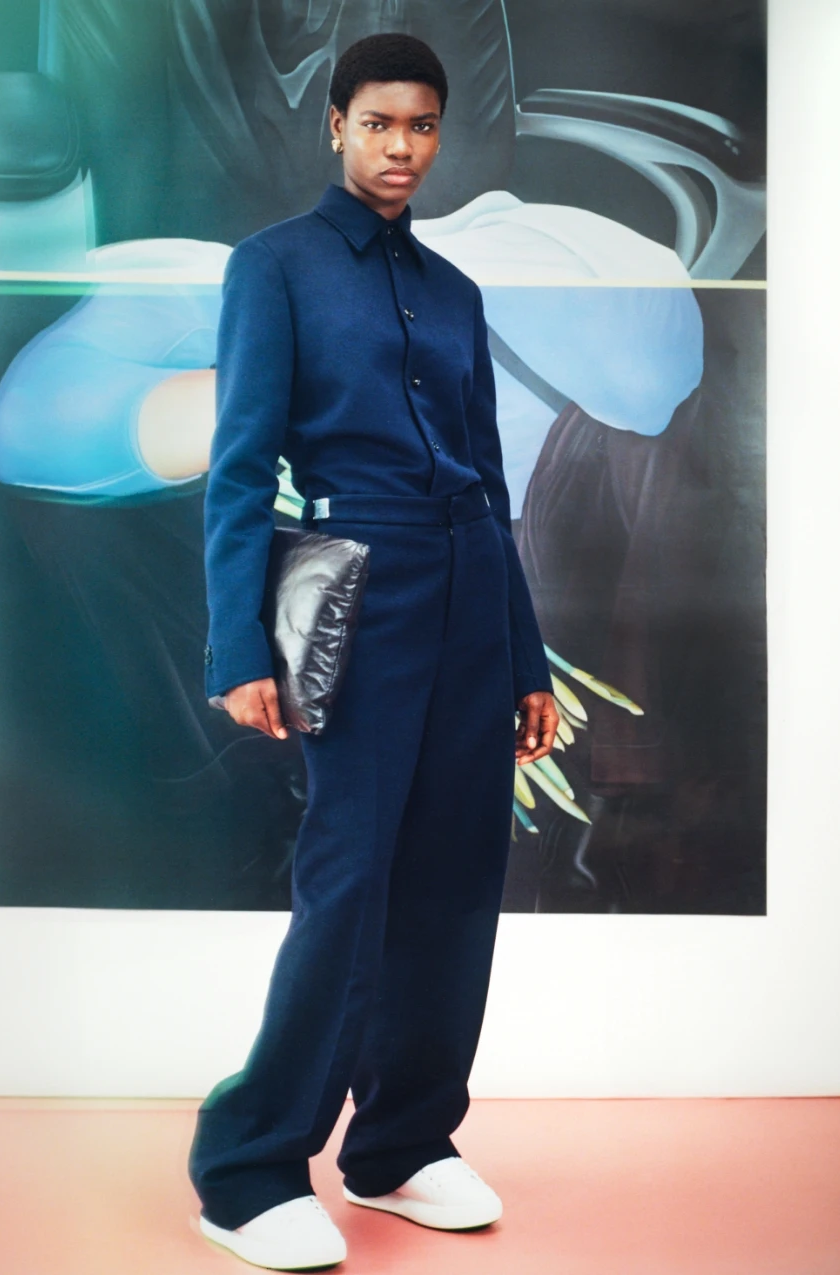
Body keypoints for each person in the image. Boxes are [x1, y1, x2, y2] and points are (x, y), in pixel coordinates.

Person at [187, 31, 559, 1271]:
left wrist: (524, 660)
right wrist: (237, 646)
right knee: (349, 878)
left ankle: (399, 1143)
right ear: (335, 125)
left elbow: (491, 487)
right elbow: (239, 469)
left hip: (469, 592)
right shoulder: (274, 267)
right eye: (378, 123)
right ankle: (247, 1169)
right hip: (360, 587)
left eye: (422, 126)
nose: (401, 147)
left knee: (456, 878)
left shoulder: (452, 292)